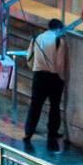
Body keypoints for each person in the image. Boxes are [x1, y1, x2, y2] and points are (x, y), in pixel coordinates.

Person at [23, 19, 66, 151]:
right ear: (59, 28)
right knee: (54, 106)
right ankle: (52, 132)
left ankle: (28, 131)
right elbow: (60, 63)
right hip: (54, 77)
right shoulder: (59, 41)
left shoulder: (37, 38)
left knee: (35, 105)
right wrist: (62, 77)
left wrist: (35, 68)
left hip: (38, 76)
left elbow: (29, 56)